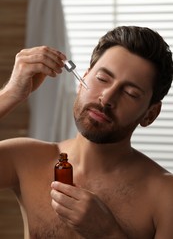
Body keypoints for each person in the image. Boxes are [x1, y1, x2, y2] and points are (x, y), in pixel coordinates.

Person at [0, 26, 173, 239]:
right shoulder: (25, 159)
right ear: (83, 80)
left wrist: (108, 234)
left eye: (130, 93)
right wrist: (10, 94)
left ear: (150, 114)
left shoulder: (166, 196)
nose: (107, 98)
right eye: (102, 79)